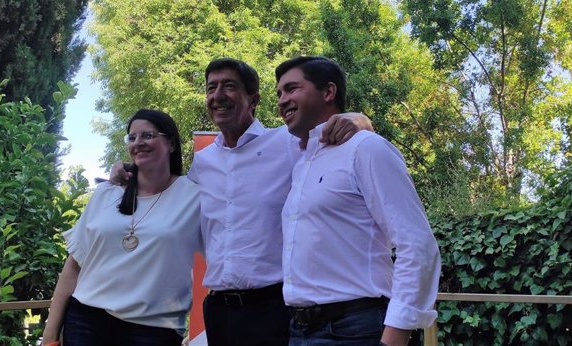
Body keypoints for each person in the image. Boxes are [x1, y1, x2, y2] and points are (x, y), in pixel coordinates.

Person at [112, 58, 373, 346]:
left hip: (274, 309)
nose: (218, 95)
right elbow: (167, 205)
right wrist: (129, 174)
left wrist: (359, 120)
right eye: (211, 88)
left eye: (229, 86)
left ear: (254, 99)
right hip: (218, 311)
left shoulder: (287, 143)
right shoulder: (203, 162)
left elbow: (335, 144)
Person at [275, 56, 441, 346]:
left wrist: (395, 336)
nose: (282, 100)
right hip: (299, 331)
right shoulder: (301, 162)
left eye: (291, 89)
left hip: (356, 329)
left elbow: (417, 244)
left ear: (328, 92)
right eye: (279, 93)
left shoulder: (367, 148)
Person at [42, 109, 201, 346]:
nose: (138, 143)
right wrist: (50, 336)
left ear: (171, 144)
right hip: (86, 321)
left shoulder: (195, 195)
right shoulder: (106, 194)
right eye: (132, 137)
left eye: (148, 135)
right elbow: (74, 266)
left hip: (154, 330)